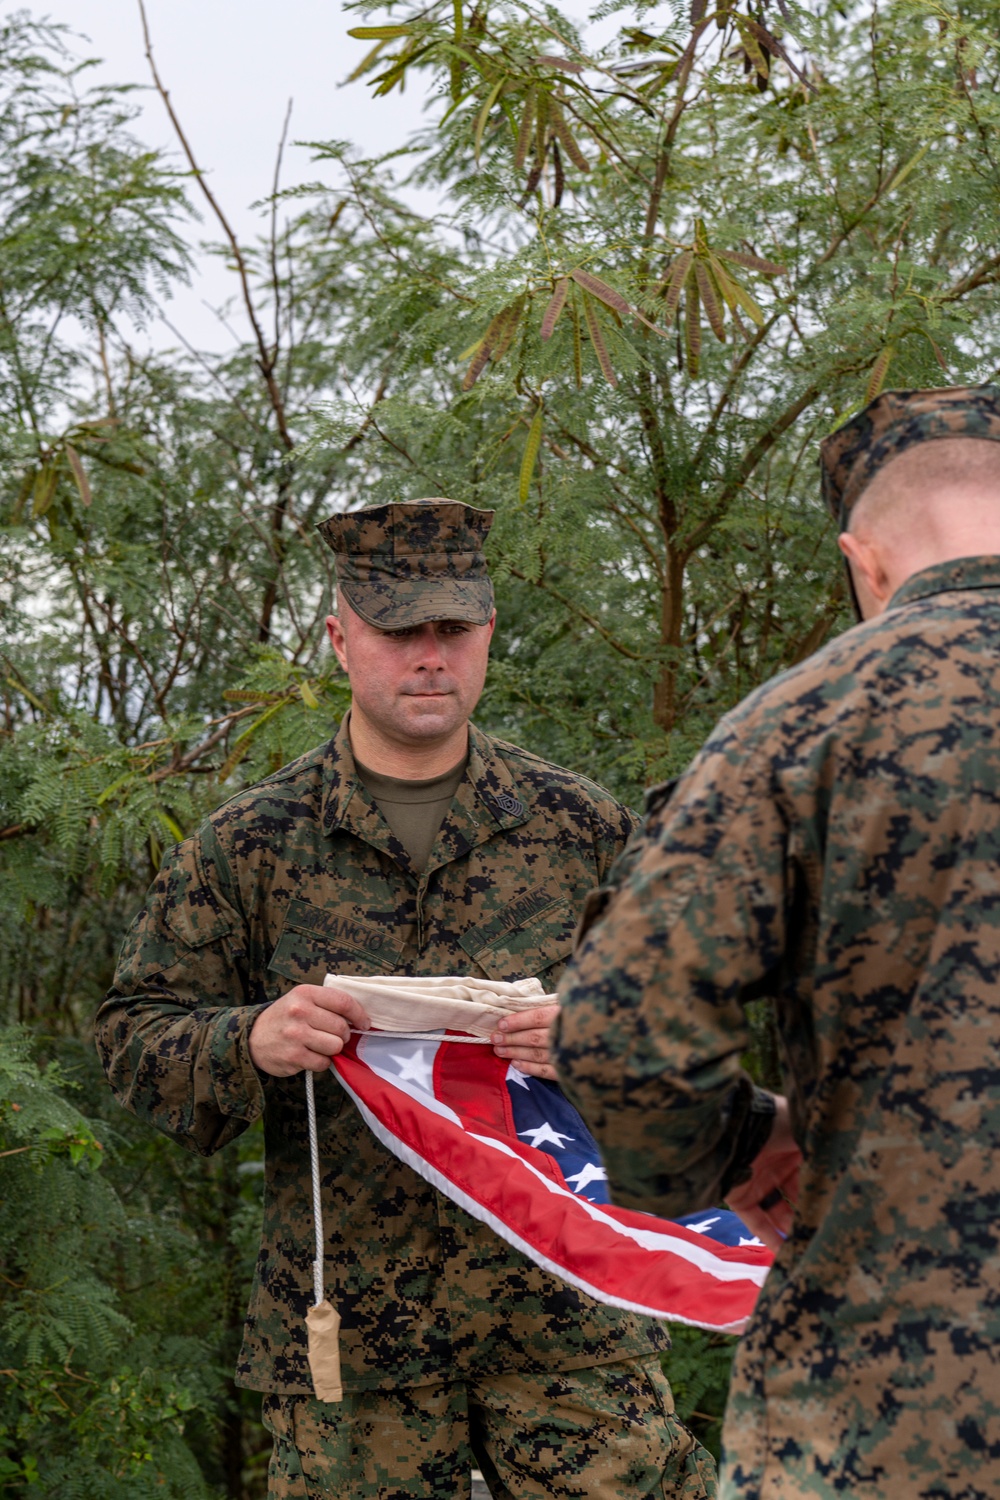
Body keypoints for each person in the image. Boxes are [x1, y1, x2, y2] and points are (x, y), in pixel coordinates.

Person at [95, 499, 716, 1500]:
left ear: (487, 634)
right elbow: (132, 1037)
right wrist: (251, 1037)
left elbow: (698, 1022)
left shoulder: (580, 828)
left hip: (568, 1324)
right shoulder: (251, 845)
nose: (428, 657)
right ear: (341, 639)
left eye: (452, 630)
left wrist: (600, 1036)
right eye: (398, 631)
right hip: (355, 1348)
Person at [553, 386, 1000, 1500]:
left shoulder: (804, 721)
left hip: (894, 1413)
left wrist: (743, 1154)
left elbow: (619, 1037)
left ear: (867, 562)